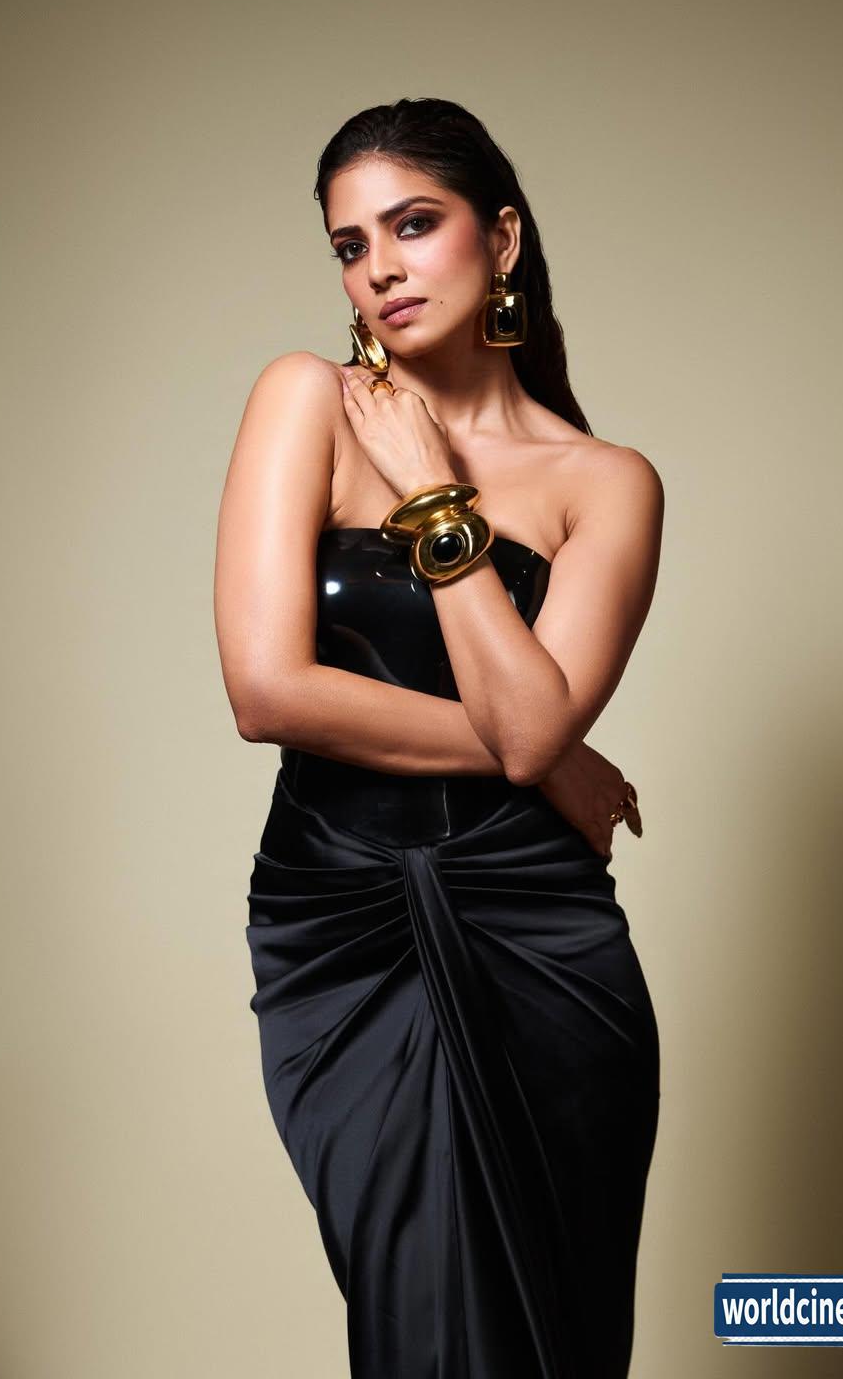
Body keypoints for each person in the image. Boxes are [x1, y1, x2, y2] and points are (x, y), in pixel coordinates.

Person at [214, 97, 664, 1379]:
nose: (381, 268)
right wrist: (552, 751)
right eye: (351, 245)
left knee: (556, 1338)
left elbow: (529, 734)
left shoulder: (606, 484)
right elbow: (267, 691)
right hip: (338, 926)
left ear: (501, 239)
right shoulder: (305, 401)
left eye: (414, 224)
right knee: (415, 1319)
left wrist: (432, 498)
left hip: (541, 943)